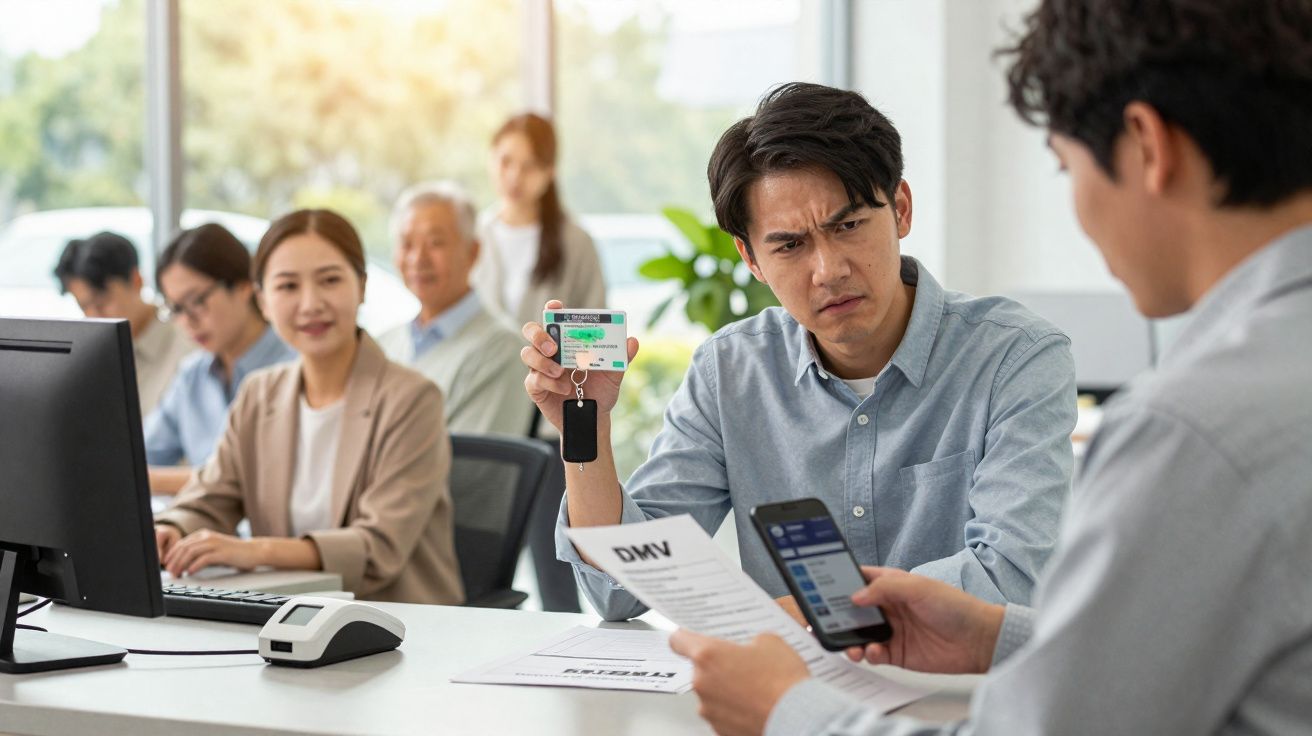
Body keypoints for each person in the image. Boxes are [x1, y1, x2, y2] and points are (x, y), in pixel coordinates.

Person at [667, 1, 1312, 734]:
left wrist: (788, 713)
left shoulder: (1190, 432)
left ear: (1145, 147)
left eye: (1066, 166)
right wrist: (991, 635)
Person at [521, 83, 1079, 622]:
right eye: (790, 245)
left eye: (850, 225)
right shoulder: (730, 371)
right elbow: (623, 591)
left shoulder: (1017, 359)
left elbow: (1010, 579)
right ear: (751, 260)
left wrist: (789, 620)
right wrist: (584, 428)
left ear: (901, 209)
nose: (829, 270)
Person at [154, 210, 464, 605]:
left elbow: (378, 546)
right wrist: (172, 528)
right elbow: (212, 497)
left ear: (362, 287)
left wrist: (254, 551)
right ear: (263, 300)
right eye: (287, 286)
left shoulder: (413, 399)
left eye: (330, 280)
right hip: (288, 616)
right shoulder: (259, 393)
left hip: (399, 623)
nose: (310, 303)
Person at [145, 224, 296, 495]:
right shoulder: (193, 375)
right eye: (176, 308)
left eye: (197, 301)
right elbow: (142, 456)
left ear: (243, 286)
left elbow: (251, 481)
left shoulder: (295, 367)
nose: (188, 321)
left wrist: (148, 481)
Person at [378, 181, 532, 436]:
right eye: (406, 244)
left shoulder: (503, 350)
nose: (418, 258)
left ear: (472, 252)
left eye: (435, 243)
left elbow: (474, 469)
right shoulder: (383, 345)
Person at [472, 112, 606, 326]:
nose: (515, 176)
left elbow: (597, 328)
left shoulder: (576, 242)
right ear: (491, 159)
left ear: (550, 172)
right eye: (505, 162)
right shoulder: (472, 234)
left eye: (530, 165)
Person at [53, 231, 192, 414]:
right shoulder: (89, 358)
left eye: (102, 303)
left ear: (136, 281)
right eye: (84, 306)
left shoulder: (187, 345)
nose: (94, 316)